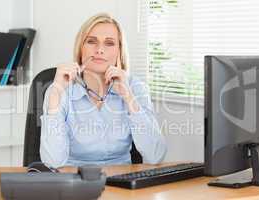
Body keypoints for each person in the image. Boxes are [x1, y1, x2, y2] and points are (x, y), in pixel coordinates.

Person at [40, 13, 167, 168]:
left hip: (123, 182)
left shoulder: (135, 87)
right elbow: (52, 161)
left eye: (109, 43)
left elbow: (156, 155)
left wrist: (128, 98)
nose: (99, 49)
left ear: (119, 51)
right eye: (92, 41)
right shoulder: (61, 90)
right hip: (73, 180)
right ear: (81, 49)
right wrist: (55, 96)